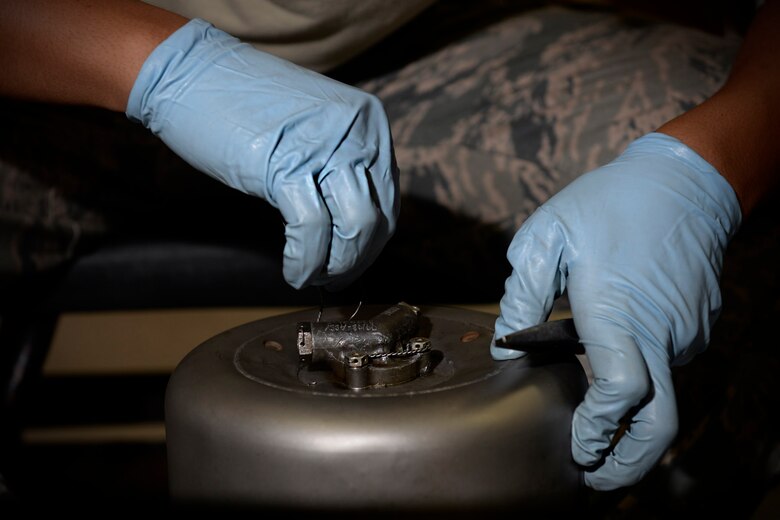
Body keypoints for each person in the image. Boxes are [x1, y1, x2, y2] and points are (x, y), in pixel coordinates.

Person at [1, 0, 777, 496]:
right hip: (59, 69)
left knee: (725, 136)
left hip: (422, 56)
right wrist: (162, 67)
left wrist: (705, 169)